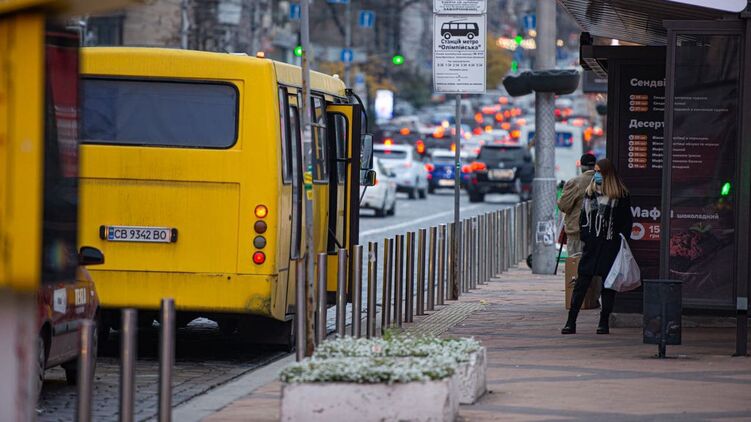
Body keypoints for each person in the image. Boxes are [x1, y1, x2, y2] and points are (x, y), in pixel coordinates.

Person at [562, 158, 632, 335]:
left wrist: (617, 237)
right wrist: (587, 236)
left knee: (608, 285)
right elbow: (584, 218)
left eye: (600, 171)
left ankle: (603, 322)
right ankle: (571, 321)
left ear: (608, 174)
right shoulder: (590, 193)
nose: (597, 174)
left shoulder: (621, 195)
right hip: (592, 245)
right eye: (596, 171)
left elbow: (626, 222)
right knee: (582, 282)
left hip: (610, 245)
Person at [557, 153, 597, 255]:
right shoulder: (604, 182)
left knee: (576, 265)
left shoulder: (575, 182)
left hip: (577, 232)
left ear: (581, 166)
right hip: (597, 232)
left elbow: (563, 206)